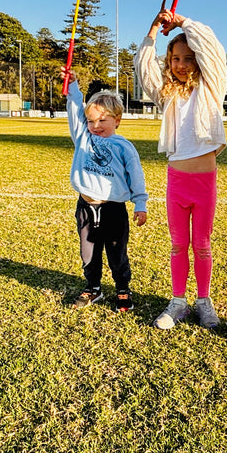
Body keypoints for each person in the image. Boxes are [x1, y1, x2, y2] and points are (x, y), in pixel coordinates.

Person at [135, 6, 227, 330]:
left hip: (204, 180)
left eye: (189, 59)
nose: (183, 65)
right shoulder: (167, 95)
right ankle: (178, 302)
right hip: (177, 180)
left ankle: (203, 301)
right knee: (178, 244)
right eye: (176, 59)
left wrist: (183, 22)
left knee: (202, 244)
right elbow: (143, 69)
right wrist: (153, 28)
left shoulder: (212, 87)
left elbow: (212, 47)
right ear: (169, 61)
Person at [62, 68, 148, 313]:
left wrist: (140, 203)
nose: (95, 126)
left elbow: (136, 177)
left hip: (113, 209)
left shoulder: (124, 147)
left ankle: (122, 289)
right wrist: (73, 86)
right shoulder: (83, 138)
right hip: (85, 207)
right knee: (88, 252)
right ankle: (93, 287)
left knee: (116, 252)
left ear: (117, 120)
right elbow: (74, 109)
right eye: (90, 121)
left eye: (102, 120)